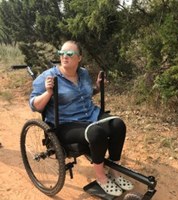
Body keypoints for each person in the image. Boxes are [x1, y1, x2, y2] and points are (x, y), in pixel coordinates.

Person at [29, 40, 133, 196]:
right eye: (61, 53)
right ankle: (101, 177)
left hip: (90, 114)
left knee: (118, 125)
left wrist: (98, 87)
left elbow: (85, 94)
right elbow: (34, 105)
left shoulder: (83, 73)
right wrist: (48, 92)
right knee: (97, 133)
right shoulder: (49, 76)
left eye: (69, 53)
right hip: (66, 122)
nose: (64, 56)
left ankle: (114, 172)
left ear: (79, 58)